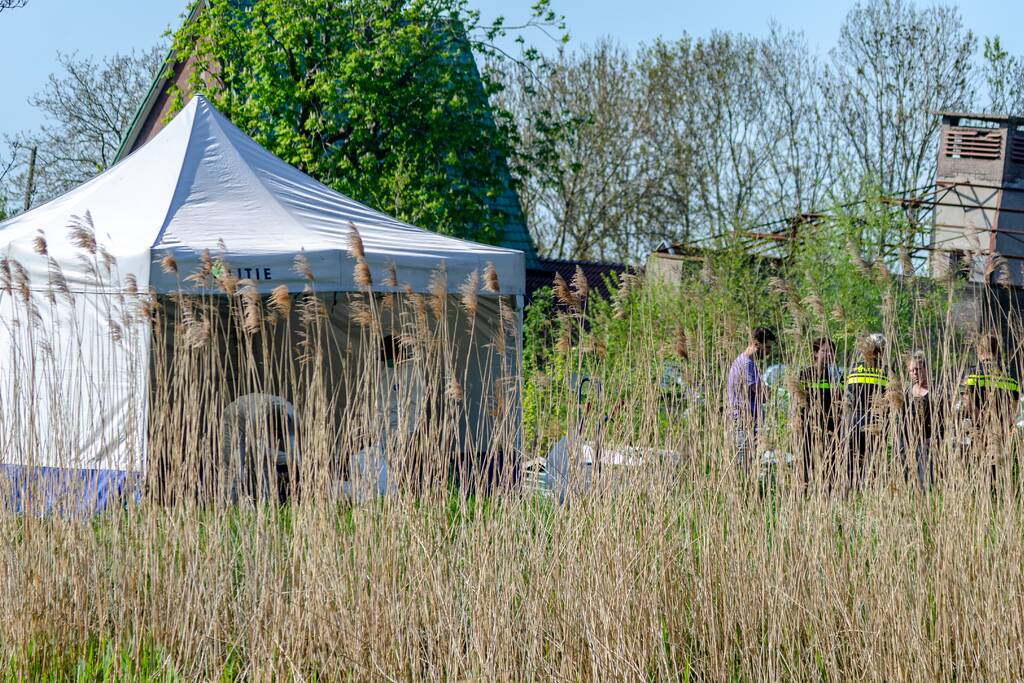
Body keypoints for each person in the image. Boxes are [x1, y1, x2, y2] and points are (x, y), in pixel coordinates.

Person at [960, 332, 1020, 484]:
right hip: (999, 431)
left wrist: (982, 419)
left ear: (980, 350)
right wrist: (1004, 425)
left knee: (978, 471)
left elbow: (967, 401)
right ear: (998, 351)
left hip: (977, 430)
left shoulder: (974, 373)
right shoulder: (1008, 376)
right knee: (996, 471)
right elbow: (1015, 406)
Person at [843, 333, 890, 489]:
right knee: (874, 465)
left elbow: (846, 395)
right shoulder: (886, 370)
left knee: (851, 462)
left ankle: (851, 491)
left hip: (852, 421)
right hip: (876, 421)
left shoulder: (854, 368)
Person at [726, 326, 776, 470]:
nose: (769, 351)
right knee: (744, 467)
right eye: (767, 347)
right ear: (756, 343)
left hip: (749, 423)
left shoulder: (748, 363)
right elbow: (763, 395)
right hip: (744, 423)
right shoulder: (746, 364)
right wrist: (768, 391)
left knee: (749, 466)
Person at [796, 337, 841, 487]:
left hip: (830, 426)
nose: (829, 355)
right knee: (806, 462)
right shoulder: (805, 374)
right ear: (815, 353)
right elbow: (798, 401)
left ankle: (828, 492)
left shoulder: (835, 375)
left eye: (832, 352)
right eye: (825, 351)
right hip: (808, 425)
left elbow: (841, 400)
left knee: (830, 463)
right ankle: (804, 490)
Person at [898, 350, 940, 488]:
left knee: (925, 480)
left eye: (918, 369)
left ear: (926, 369)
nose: (915, 373)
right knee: (906, 478)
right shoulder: (907, 392)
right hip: (907, 441)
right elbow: (901, 418)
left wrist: (933, 438)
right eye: (912, 370)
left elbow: (941, 419)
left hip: (926, 441)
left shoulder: (935, 392)